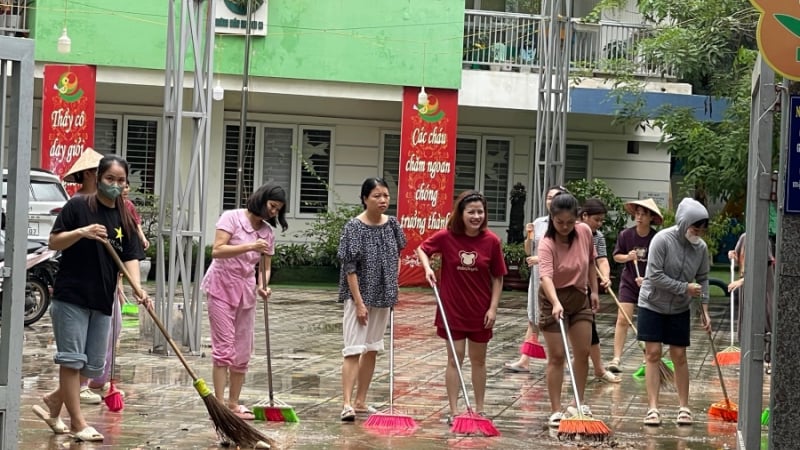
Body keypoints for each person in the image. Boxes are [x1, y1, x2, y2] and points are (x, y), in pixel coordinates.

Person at [34, 155, 149, 441]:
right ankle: (77, 422)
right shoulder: (78, 206)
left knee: (93, 366)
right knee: (72, 362)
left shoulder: (125, 214)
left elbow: (131, 255)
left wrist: (138, 287)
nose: (115, 185)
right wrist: (82, 232)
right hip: (71, 296)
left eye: (121, 180)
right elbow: (54, 241)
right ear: (98, 178)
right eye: (110, 179)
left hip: (102, 299)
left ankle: (53, 401)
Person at [416, 190, 506, 424]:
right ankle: (454, 411)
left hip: (480, 310)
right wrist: (427, 269)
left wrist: (493, 308)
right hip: (452, 309)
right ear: (461, 213)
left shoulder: (492, 241)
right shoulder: (447, 236)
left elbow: (498, 277)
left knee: (479, 360)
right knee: (455, 358)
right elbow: (422, 249)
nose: (476, 216)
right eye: (471, 212)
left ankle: (480, 408)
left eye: (480, 212)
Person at [200, 182, 287, 420]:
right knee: (224, 347)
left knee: (242, 350)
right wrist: (249, 245)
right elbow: (217, 250)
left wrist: (262, 285)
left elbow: (265, 267)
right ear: (261, 199)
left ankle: (233, 403)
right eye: (271, 206)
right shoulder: (232, 218)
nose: (273, 212)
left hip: (246, 290)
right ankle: (219, 405)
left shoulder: (268, 232)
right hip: (221, 285)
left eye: (278, 209)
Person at [338, 177, 406, 421]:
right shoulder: (353, 227)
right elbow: (350, 268)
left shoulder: (393, 225)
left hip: (384, 296)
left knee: (373, 349)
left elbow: (397, 255)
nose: (383, 200)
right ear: (365, 198)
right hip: (359, 296)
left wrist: (392, 285)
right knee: (353, 349)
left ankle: (361, 400)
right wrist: (359, 303)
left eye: (386, 195)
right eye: (377, 196)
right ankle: (346, 403)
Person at [639, 197, 711, 426]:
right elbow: (654, 276)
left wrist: (705, 309)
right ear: (682, 222)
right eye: (693, 228)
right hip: (652, 303)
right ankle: (652, 408)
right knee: (652, 354)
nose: (697, 233)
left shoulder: (700, 248)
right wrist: (684, 288)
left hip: (680, 307)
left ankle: (684, 407)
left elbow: (703, 279)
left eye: (700, 230)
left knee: (679, 355)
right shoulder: (662, 240)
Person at [537, 193, 599, 427]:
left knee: (582, 353)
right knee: (557, 356)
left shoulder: (584, 232)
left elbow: (591, 262)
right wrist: (555, 302)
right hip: (553, 298)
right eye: (559, 222)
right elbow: (545, 277)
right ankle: (555, 409)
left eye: (569, 222)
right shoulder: (547, 243)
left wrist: (593, 291)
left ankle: (577, 402)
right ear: (552, 218)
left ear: (577, 219)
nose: (564, 227)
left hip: (579, 296)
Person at [504, 185, 567, 373]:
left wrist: (541, 259)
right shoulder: (540, 222)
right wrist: (529, 236)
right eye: (548, 197)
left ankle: (562, 361)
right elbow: (528, 251)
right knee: (533, 317)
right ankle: (525, 359)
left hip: (557, 276)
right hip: (538, 275)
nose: (551, 201)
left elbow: (565, 253)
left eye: (555, 197)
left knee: (558, 318)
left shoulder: (566, 223)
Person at [608, 198, 663, 373]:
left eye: (643, 214)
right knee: (623, 318)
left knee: (648, 322)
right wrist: (627, 257)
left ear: (651, 217)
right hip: (629, 282)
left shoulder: (656, 238)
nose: (639, 217)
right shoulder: (626, 235)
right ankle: (616, 358)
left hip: (650, 284)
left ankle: (648, 358)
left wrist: (647, 280)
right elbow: (617, 256)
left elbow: (660, 264)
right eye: (637, 214)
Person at [578, 199, 620, 383]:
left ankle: (598, 369)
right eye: (597, 219)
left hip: (587, 289)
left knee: (590, 328)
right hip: (567, 286)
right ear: (584, 216)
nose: (599, 224)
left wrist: (605, 276)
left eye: (602, 220)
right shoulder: (571, 231)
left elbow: (602, 260)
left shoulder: (598, 236)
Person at [727, 233, 775, 374]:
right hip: (746, 288)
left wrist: (742, 281)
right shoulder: (744, 237)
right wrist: (732, 256)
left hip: (763, 288)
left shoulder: (763, 240)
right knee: (746, 320)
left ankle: (769, 359)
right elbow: (738, 258)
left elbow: (762, 270)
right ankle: (748, 358)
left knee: (765, 320)